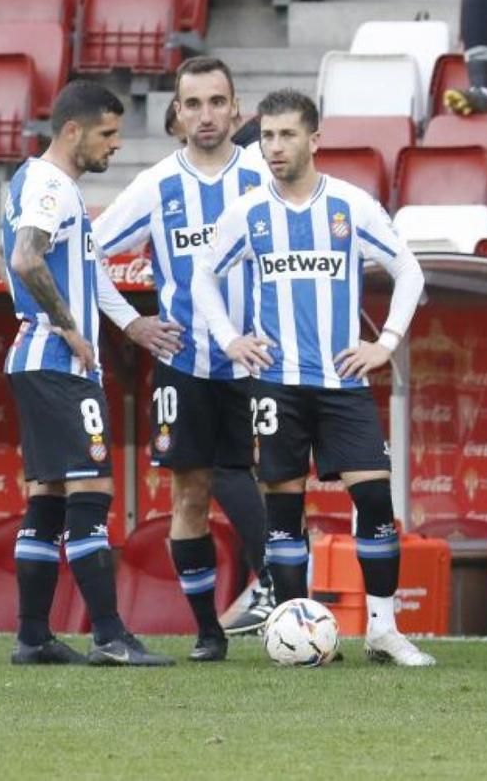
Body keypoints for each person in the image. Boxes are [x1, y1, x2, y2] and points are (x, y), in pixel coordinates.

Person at [193, 88, 435, 667]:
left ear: (313, 140)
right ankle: (296, 635)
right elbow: (203, 276)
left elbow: (409, 270)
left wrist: (386, 344)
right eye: (267, 136)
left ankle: (382, 629)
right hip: (275, 382)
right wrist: (231, 339)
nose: (274, 147)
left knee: (373, 494)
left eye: (286, 135)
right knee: (283, 507)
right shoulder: (248, 214)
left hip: (343, 379)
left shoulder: (349, 205)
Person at [92, 57, 276, 660]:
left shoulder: (263, 174)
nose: (205, 115)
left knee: (282, 483)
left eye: (216, 102)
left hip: (260, 359)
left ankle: (285, 598)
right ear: (176, 113)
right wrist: (133, 323)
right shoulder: (156, 185)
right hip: (185, 362)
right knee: (191, 494)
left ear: (236, 109)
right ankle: (208, 631)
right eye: (192, 104)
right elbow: (86, 254)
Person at [2, 80, 177, 666]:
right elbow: (25, 257)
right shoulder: (51, 185)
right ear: (72, 130)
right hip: (57, 360)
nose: (116, 145)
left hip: (35, 359)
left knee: (47, 497)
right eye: (107, 133)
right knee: (92, 489)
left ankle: (32, 637)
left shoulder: (44, 183)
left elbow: (84, 268)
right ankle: (109, 635)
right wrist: (71, 327)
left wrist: (130, 327)